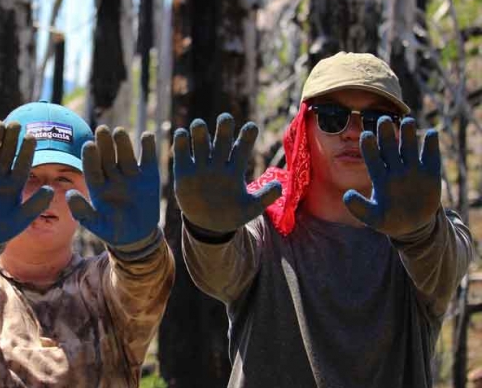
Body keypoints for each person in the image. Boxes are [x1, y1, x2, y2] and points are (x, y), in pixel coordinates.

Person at [173, 52, 473, 387]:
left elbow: (442, 269)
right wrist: (210, 232)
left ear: (400, 134)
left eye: (375, 120)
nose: (354, 131)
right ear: (303, 127)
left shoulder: (430, 236)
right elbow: (218, 273)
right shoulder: (264, 224)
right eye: (333, 117)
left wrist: (419, 233)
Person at [0, 102, 174, 386]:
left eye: (64, 177)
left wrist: (139, 250)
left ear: (91, 191)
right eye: (29, 176)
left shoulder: (104, 291)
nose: (46, 191)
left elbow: (144, 287)